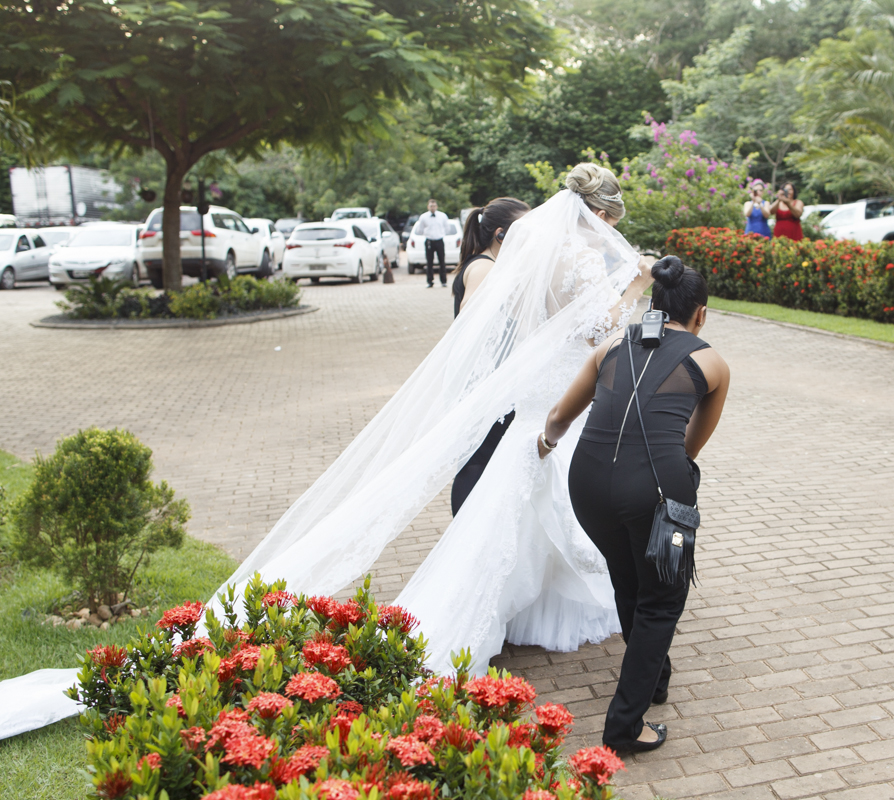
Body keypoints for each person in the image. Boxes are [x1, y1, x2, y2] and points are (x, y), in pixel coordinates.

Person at [0, 163, 659, 740]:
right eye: (608, 217)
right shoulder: (575, 257)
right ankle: (460, 626)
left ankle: (543, 605)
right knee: (522, 512)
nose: (607, 228)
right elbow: (595, 326)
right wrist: (634, 287)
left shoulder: (540, 253)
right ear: (598, 214)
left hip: (547, 398)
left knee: (529, 510)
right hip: (559, 399)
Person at [538, 256, 730, 753]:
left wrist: (544, 443)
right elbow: (689, 447)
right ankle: (625, 726)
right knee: (662, 599)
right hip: (656, 491)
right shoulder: (710, 362)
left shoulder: (610, 347)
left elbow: (560, 416)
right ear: (700, 314)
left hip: (587, 485)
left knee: (628, 576)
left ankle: (655, 678)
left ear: (654, 303)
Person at [449, 197, 530, 515]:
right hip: (486, 382)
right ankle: (464, 535)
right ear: (500, 235)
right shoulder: (484, 268)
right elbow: (470, 319)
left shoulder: (487, 264)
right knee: (477, 460)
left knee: (484, 458)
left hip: (492, 379)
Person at [413, 198, 452, 287]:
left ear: (436, 206)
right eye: (431, 206)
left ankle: (443, 281)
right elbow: (420, 229)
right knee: (429, 262)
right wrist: (427, 234)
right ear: (428, 207)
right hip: (429, 241)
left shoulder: (442, 216)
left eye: (434, 206)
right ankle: (430, 281)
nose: (432, 207)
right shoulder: (423, 217)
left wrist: (441, 234)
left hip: (439, 240)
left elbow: (447, 228)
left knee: (442, 261)